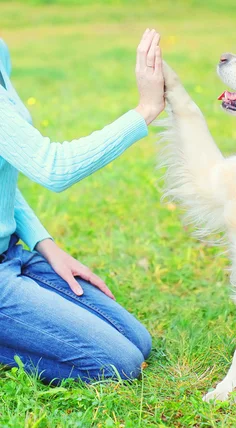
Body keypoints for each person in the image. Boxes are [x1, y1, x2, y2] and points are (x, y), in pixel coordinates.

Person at [0, 29, 165, 383]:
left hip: (12, 254)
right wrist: (145, 111)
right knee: (118, 365)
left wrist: (46, 245)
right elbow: (53, 167)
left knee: (139, 341)